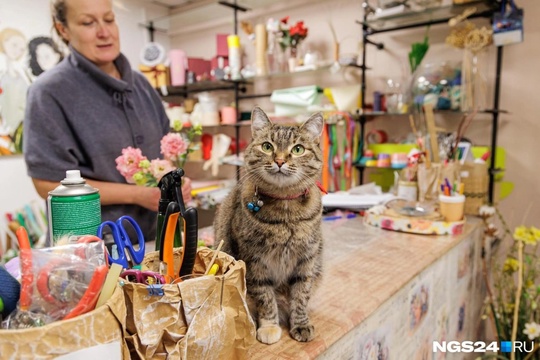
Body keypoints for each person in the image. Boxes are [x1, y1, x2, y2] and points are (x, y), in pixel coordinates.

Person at [23, 0, 192, 242]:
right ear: (63, 29)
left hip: (154, 239)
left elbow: (165, 150)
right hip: (93, 249)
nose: (104, 32)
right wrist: (138, 195)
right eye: (88, 23)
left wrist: (175, 180)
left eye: (109, 19)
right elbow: (47, 184)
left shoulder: (140, 84)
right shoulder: (49, 92)